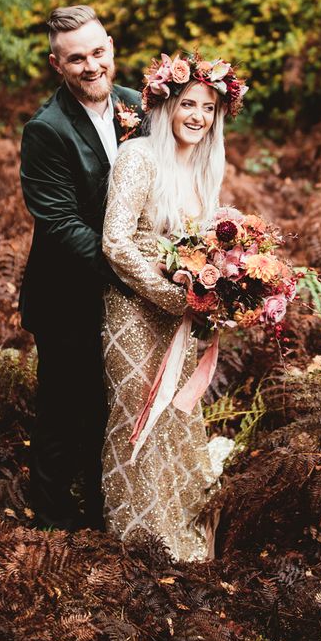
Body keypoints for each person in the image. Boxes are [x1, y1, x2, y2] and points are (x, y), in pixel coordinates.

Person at [101, 54, 247, 561]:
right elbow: (116, 243)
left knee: (177, 418)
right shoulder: (138, 157)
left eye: (209, 108)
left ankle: (179, 532)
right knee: (137, 414)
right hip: (132, 311)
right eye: (189, 104)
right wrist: (173, 296)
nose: (199, 116)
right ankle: (138, 538)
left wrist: (223, 290)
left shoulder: (205, 169)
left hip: (180, 317)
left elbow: (203, 248)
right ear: (167, 105)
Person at [19, 6, 142, 530]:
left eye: (98, 52)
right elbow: (61, 225)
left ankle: (104, 514)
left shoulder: (141, 106)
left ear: (111, 47)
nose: (92, 66)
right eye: (76, 59)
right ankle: (49, 528)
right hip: (67, 296)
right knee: (64, 412)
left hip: (128, 293)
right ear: (56, 64)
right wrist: (139, 274)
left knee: (114, 408)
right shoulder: (46, 131)